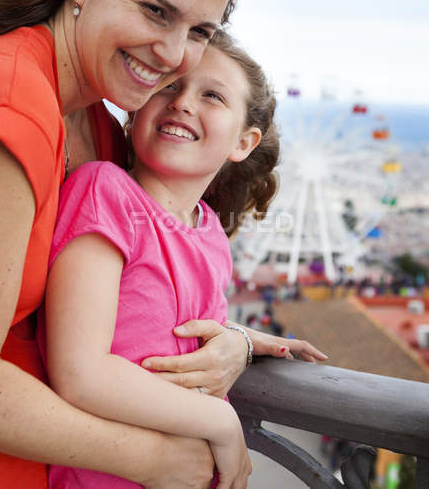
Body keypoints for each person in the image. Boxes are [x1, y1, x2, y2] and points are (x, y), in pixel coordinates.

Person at [0, 0, 259, 489]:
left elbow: (140, 294)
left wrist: (239, 343)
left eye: (199, 31)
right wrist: (151, 456)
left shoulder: (97, 127)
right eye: (155, 10)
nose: (172, 55)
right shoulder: (14, 110)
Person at [41, 30, 328, 488]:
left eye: (211, 95)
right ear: (137, 106)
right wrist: (219, 420)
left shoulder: (210, 232)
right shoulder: (105, 193)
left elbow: (169, 330)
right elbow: (81, 373)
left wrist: (247, 340)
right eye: (169, 85)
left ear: (243, 142)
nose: (182, 102)